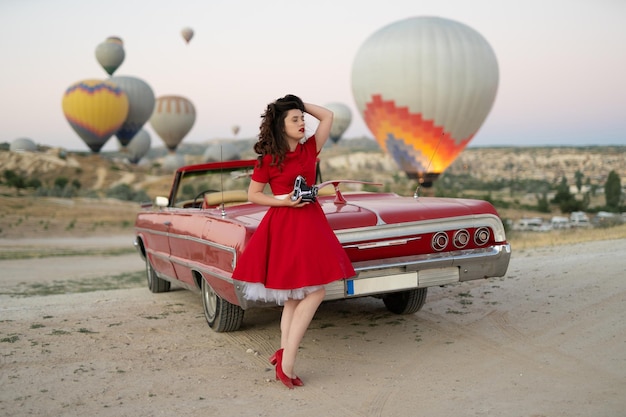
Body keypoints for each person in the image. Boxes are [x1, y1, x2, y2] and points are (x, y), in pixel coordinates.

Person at [232, 94, 356, 389]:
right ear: (280, 124)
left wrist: (298, 102)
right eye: (295, 119)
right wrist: (283, 201)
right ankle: (287, 363)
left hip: (311, 224)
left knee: (296, 297)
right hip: (285, 223)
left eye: (302, 119)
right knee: (313, 293)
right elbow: (253, 195)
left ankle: (283, 354)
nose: (302, 123)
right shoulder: (268, 159)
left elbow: (327, 116)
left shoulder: (310, 148)